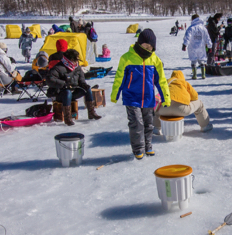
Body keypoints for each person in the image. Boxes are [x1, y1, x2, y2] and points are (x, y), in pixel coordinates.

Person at [112, 29, 170, 159]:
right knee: (137, 123)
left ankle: (148, 146)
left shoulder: (155, 60)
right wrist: (115, 94)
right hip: (131, 97)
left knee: (148, 123)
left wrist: (165, 97)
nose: (148, 49)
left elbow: (161, 80)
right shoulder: (127, 58)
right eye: (146, 46)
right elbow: (119, 77)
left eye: (150, 47)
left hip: (148, 98)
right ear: (139, 43)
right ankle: (138, 149)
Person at [46, 48, 102, 125]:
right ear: (70, 59)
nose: (77, 61)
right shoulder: (58, 67)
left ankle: (91, 112)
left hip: (73, 91)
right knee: (67, 92)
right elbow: (49, 79)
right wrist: (63, 84)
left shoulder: (76, 67)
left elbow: (81, 78)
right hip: (61, 94)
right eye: (75, 59)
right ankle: (67, 118)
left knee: (87, 89)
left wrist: (83, 84)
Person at [183, 14, 212, 80]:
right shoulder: (203, 28)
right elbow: (207, 38)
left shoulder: (191, 28)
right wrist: (210, 46)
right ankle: (203, 75)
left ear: (193, 19)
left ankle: (195, 75)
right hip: (201, 47)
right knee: (202, 60)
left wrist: (185, 45)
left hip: (193, 47)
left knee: (193, 61)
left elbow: (187, 37)